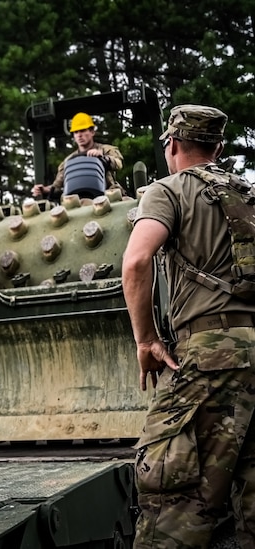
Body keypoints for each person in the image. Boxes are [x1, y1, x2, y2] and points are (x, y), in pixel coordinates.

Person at [122, 104, 255, 547]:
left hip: (211, 357)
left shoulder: (168, 190)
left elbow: (137, 261)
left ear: (173, 145)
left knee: (174, 502)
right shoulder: (250, 194)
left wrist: (146, 339)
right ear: (217, 147)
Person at [32, 112, 124, 200]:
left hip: (110, 195)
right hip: (77, 200)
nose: (79, 135)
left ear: (92, 132)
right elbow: (57, 186)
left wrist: (103, 158)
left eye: (83, 130)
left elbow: (119, 163)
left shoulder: (105, 150)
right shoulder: (69, 161)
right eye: (76, 132)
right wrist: (45, 190)